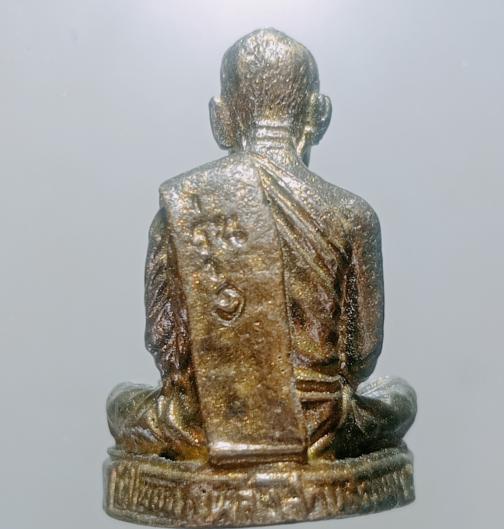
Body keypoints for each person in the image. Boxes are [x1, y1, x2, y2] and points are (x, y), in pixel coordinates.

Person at [107, 28, 416, 463]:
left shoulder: (183, 205)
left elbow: (163, 343)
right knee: (398, 397)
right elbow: (362, 356)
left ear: (220, 118)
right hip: (320, 425)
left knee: (121, 401)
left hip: (200, 423)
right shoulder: (352, 214)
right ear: (320, 114)